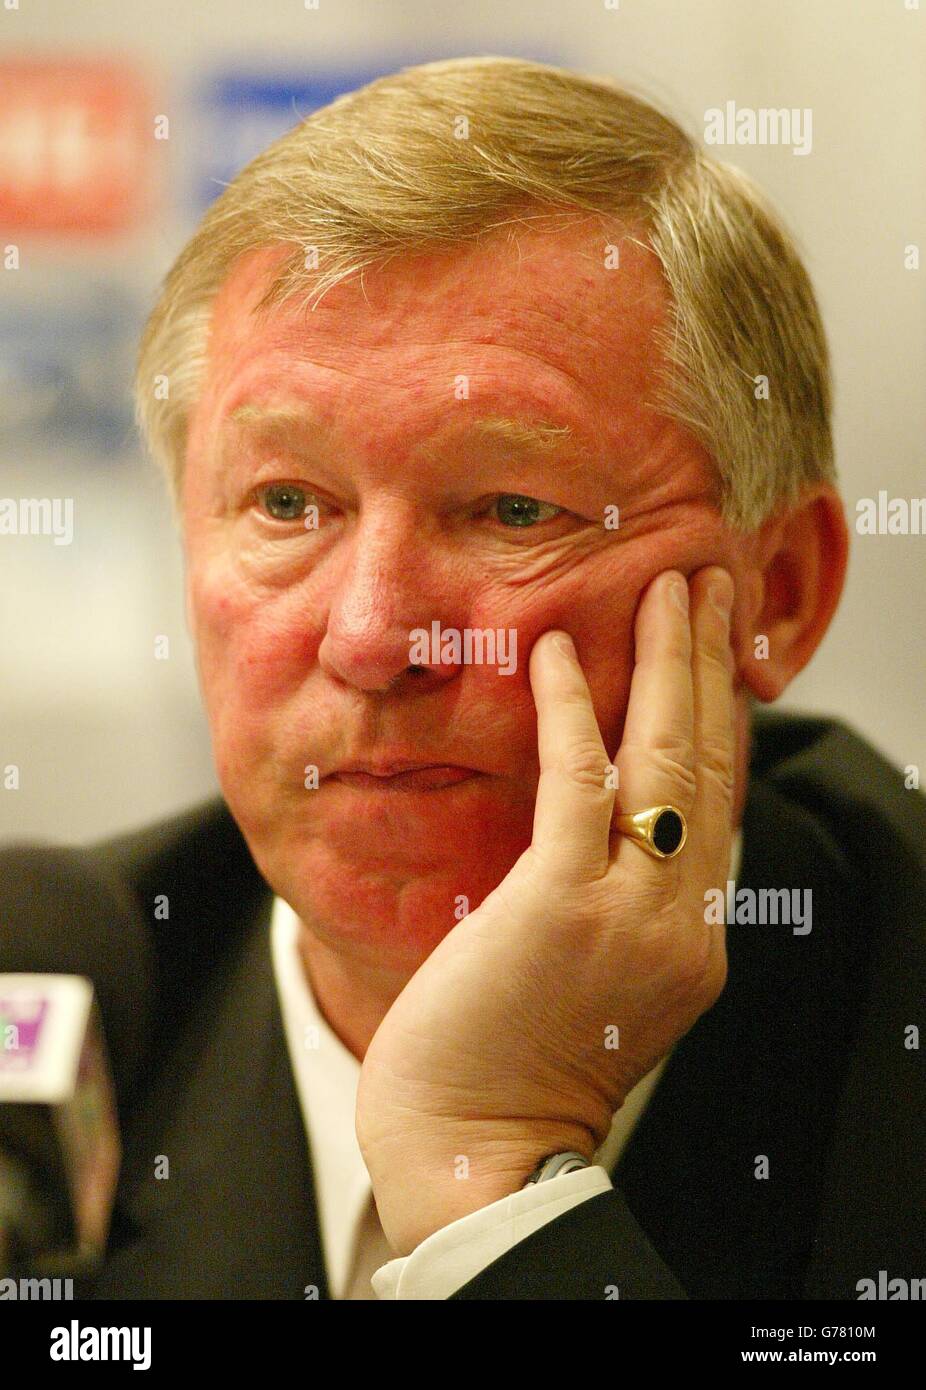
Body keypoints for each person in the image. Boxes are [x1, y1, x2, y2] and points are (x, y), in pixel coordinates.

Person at [2, 55, 923, 1300]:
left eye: (510, 507)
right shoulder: (62, 996)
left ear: (778, 592)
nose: (375, 637)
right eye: (286, 502)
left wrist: (487, 1181)